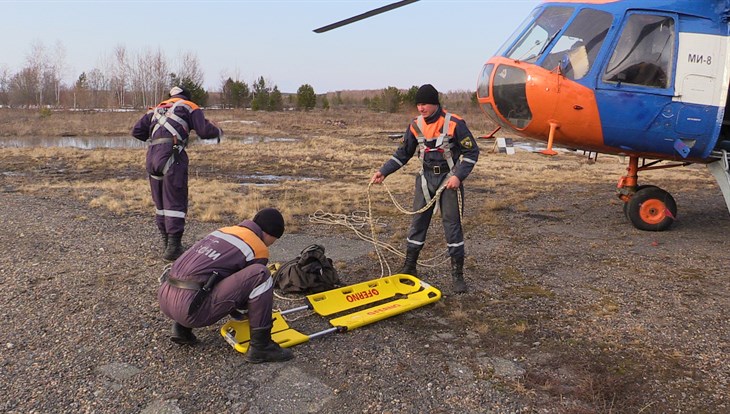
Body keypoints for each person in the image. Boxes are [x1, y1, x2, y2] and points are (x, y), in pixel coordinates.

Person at [370, 84, 479, 294]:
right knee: (417, 223)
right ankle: (410, 267)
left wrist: (458, 175)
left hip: (449, 179)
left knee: (452, 226)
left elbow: (472, 152)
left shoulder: (455, 124)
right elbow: (403, 153)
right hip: (425, 179)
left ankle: (457, 275)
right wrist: (383, 171)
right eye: (418, 104)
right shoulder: (414, 126)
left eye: (425, 104)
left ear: (435, 103)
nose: (421, 108)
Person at [158, 207, 293, 363]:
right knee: (261, 275)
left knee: (204, 275)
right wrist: (256, 313)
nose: (271, 244)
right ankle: (261, 347)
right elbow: (247, 292)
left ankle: (181, 328)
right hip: (190, 309)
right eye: (274, 240)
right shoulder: (257, 247)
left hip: (165, 299)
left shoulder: (224, 231)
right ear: (270, 234)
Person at [132, 86, 222, 261]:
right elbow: (203, 131)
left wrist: (157, 141)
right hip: (173, 155)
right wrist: (217, 131)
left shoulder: (156, 109)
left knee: (160, 202)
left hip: (152, 157)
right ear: (186, 96)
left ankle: (167, 244)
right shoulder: (189, 106)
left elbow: (137, 131)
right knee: (175, 201)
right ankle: (173, 248)